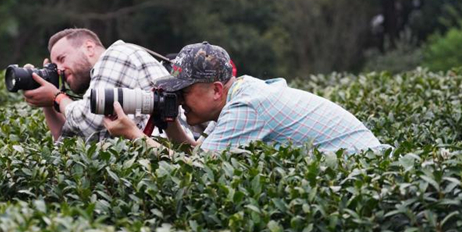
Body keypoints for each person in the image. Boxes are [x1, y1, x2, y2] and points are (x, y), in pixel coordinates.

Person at [103, 41, 385, 153]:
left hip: (373, 174)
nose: (179, 99)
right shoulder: (240, 96)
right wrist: (170, 123)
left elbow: (195, 172)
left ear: (216, 90)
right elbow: (198, 153)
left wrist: (134, 135)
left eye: (183, 91)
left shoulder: (248, 107)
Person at [22, 28, 187, 142]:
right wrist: (47, 100)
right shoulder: (99, 83)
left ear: (89, 48)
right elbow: (67, 142)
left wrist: (56, 96)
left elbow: (87, 121)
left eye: (62, 59)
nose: (58, 70)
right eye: (53, 65)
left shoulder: (116, 54)